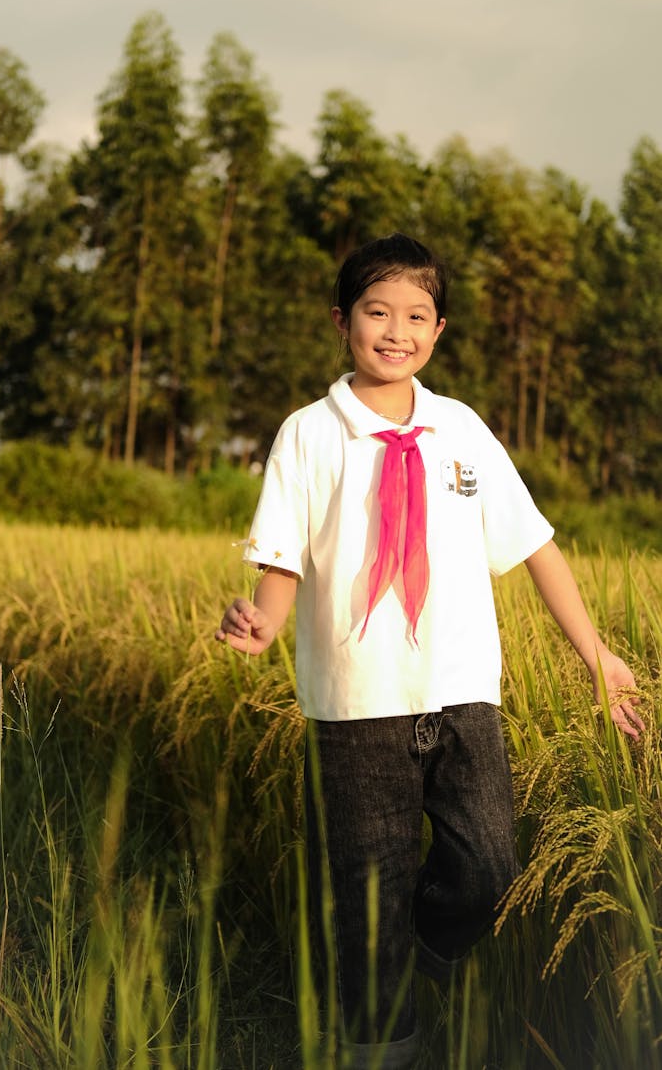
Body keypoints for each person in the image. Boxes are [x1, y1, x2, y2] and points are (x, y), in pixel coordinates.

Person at [215, 233, 644, 1070]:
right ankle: (384, 1051)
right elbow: (280, 559)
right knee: (368, 905)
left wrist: (596, 655)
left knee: (489, 864)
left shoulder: (462, 430)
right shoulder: (308, 435)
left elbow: (535, 546)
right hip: (356, 707)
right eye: (378, 312)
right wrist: (262, 623)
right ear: (343, 321)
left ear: (439, 330)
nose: (396, 331)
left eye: (416, 315)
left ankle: (432, 952)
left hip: (462, 693)